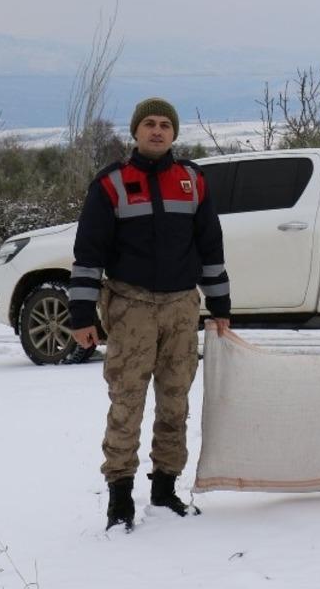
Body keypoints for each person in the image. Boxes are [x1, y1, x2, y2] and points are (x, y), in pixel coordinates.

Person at [66, 97, 231, 532]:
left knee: (175, 402)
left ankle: (165, 490)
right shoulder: (112, 183)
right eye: (149, 124)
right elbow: (88, 255)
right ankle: (119, 499)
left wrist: (221, 307)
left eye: (164, 125)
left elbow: (211, 248)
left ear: (174, 133)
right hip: (131, 307)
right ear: (135, 132)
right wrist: (82, 314)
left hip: (181, 307)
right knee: (127, 403)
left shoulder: (193, 182)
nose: (157, 131)